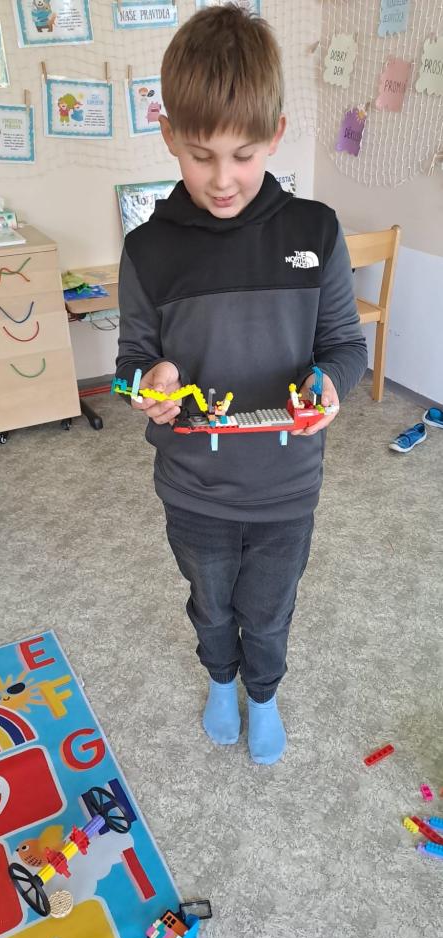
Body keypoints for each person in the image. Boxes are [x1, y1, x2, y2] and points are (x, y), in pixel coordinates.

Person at [116, 3, 367, 765]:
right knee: (209, 603)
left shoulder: (314, 230)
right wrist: (148, 383)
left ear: (275, 136)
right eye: (200, 155)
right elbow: (128, 364)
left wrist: (328, 385)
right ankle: (219, 679)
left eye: (243, 155)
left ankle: (262, 692)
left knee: (268, 609)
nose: (221, 179)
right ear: (168, 135)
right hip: (193, 489)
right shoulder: (147, 250)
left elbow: (343, 346)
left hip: (286, 488)